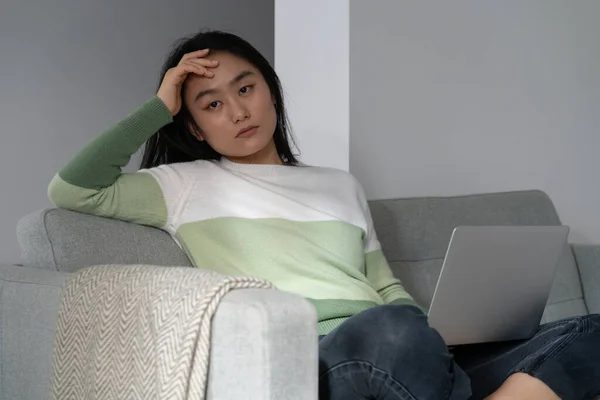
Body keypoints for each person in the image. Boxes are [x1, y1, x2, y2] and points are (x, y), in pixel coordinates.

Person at [48, 30, 600, 400]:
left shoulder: (340, 185)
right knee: (387, 331)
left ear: (271, 91)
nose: (238, 110)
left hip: (405, 354)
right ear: (193, 126)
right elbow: (73, 189)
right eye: (212, 103)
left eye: (246, 88)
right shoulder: (182, 186)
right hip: (322, 358)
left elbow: (384, 287)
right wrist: (159, 106)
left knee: (586, 331)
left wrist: (432, 334)